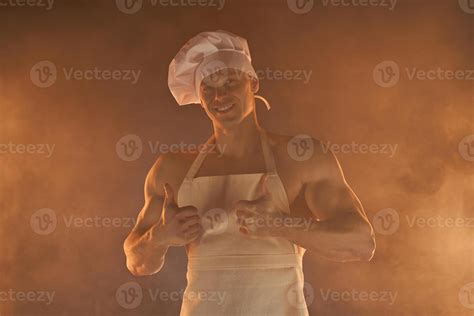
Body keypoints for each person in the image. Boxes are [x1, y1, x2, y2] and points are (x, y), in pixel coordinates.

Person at [123, 30, 376, 315]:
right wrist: (160, 237)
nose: (220, 95)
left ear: (252, 82)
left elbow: (360, 243)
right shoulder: (172, 168)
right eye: (208, 87)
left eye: (230, 81)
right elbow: (137, 262)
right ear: (198, 95)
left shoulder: (301, 157)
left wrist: (280, 225)